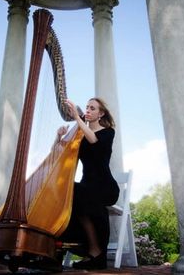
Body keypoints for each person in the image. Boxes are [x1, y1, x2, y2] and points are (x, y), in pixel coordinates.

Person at [57, 97, 120, 270]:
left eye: (92, 108)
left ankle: (95, 251)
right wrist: (59, 137)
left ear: (100, 114)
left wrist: (78, 119)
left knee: (76, 193)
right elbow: (58, 154)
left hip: (105, 187)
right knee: (68, 193)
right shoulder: (79, 136)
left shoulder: (108, 132)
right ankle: (88, 250)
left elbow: (94, 140)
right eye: (87, 107)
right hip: (87, 187)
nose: (88, 110)